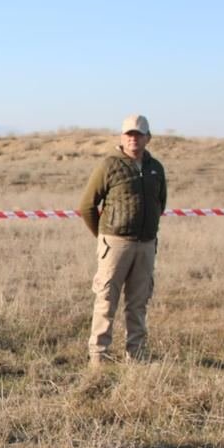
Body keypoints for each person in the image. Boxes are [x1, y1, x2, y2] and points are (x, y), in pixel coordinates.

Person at [78, 114, 167, 366]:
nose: (133, 139)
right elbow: (87, 206)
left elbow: (160, 203)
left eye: (139, 134)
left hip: (146, 245)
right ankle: (99, 355)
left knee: (138, 303)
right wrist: (103, 236)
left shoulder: (155, 168)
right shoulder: (109, 166)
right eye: (129, 134)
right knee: (106, 299)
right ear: (122, 137)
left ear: (148, 138)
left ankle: (136, 355)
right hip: (115, 244)